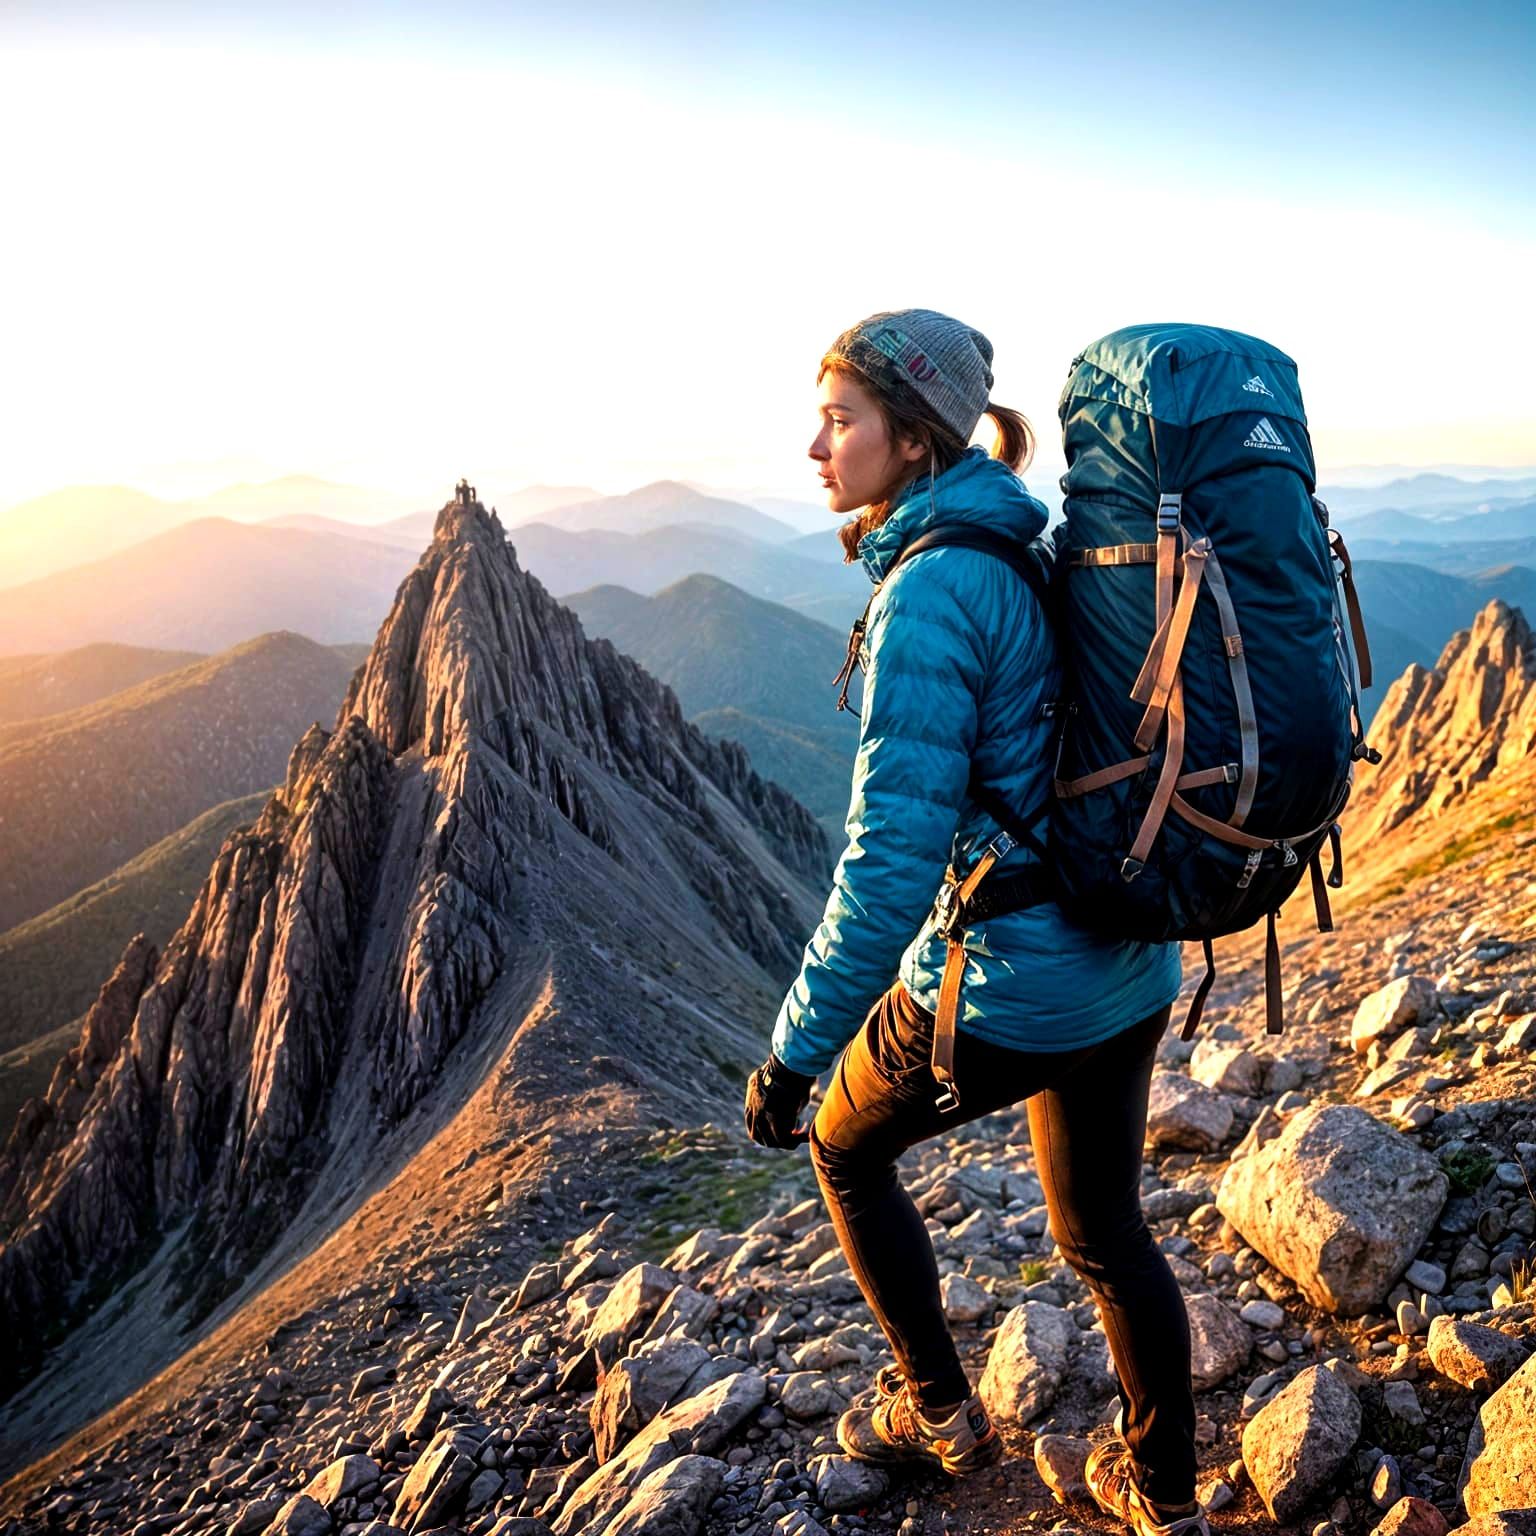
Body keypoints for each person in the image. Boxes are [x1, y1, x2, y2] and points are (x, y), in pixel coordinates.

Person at [742, 309, 1210, 1536]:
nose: (817, 447)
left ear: (913, 438)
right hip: (1128, 958)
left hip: (1020, 980)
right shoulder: (1025, 542)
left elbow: (890, 867)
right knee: (1104, 1231)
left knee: (842, 1146)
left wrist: (793, 1055)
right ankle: (1167, 1495)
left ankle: (940, 1413)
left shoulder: (932, 590)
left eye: (840, 420)